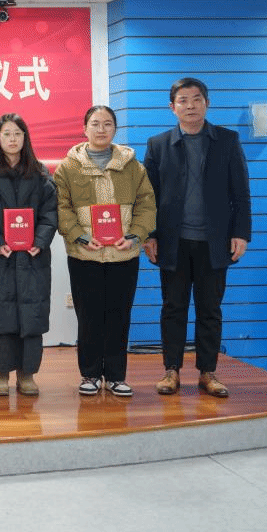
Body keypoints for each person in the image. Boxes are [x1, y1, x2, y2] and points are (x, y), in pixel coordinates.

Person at [144, 77, 251, 398]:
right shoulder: (158, 144)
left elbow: (241, 192)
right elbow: (148, 196)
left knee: (210, 309)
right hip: (173, 243)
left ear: (207, 103)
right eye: (183, 100)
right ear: (172, 107)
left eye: (196, 99)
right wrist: (150, 235)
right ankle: (171, 371)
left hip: (214, 242)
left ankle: (208, 372)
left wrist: (241, 233)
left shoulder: (227, 141)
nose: (190, 106)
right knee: (173, 308)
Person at [53, 106, 156, 396]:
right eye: (95, 124)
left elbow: (146, 204)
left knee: (119, 315)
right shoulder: (68, 167)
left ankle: (115, 375)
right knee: (88, 316)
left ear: (115, 129)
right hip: (84, 254)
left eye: (107, 124)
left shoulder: (133, 166)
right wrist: (80, 236)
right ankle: (89, 374)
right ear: (84, 128)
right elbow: (61, 207)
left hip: (124, 254)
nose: (101, 129)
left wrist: (135, 236)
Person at [0, 113, 57, 396]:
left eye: (17, 133)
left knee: (30, 313)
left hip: (32, 256)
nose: (12, 139)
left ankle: (27, 374)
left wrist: (40, 240)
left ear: (25, 137)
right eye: (6, 133)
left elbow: (50, 212)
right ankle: (0, 374)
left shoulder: (40, 172)